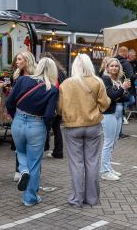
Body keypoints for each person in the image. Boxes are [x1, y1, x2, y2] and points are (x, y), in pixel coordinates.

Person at [58, 54, 110, 208]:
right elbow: (105, 104)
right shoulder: (97, 82)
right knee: (92, 163)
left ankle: (76, 199)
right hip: (93, 125)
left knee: (77, 164)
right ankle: (92, 199)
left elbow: (59, 108)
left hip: (73, 126)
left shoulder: (66, 84)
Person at [6, 58, 59, 206]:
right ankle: (29, 198)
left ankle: (23, 170)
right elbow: (49, 115)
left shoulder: (23, 80)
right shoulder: (52, 89)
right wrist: (46, 129)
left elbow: (9, 102)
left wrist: (16, 115)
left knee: (20, 152)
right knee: (34, 163)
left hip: (18, 121)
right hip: (37, 125)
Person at [100, 58, 131, 181]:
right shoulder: (105, 79)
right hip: (108, 113)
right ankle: (104, 171)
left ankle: (108, 167)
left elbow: (126, 98)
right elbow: (111, 96)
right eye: (111, 66)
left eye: (116, 66)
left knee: (113, 142)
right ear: (107, 67)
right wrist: (122, 89)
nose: (114, 68)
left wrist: (122, 91)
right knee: (108, 143)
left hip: (117, 113)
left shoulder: (117, 79)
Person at [10, 51, 37, 182]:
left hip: (31, 115)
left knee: (29, 146)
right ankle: (19, 170)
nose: (16, 61)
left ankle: (27, 171)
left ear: (27, 61)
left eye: (19, 59)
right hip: (17, 114)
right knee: (18, 145)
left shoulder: (36, 76)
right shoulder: (16, 75)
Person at [40, 52, 67, 158]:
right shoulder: (61, 71)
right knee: (56, 128)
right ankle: (58, 151)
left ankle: (44, 148)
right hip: (60, 103)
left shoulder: (49, 72)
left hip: (51, 103)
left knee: (45, 127)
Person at [115, 46, 137, 135]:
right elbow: (131, 76)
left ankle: (115, 131)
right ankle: (119, 133)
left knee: (115, 112)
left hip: (112, 88)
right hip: (123, 89)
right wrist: (136, 76)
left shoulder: (113, 61)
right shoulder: (126, 63)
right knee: (121, 110)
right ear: (126, 53)